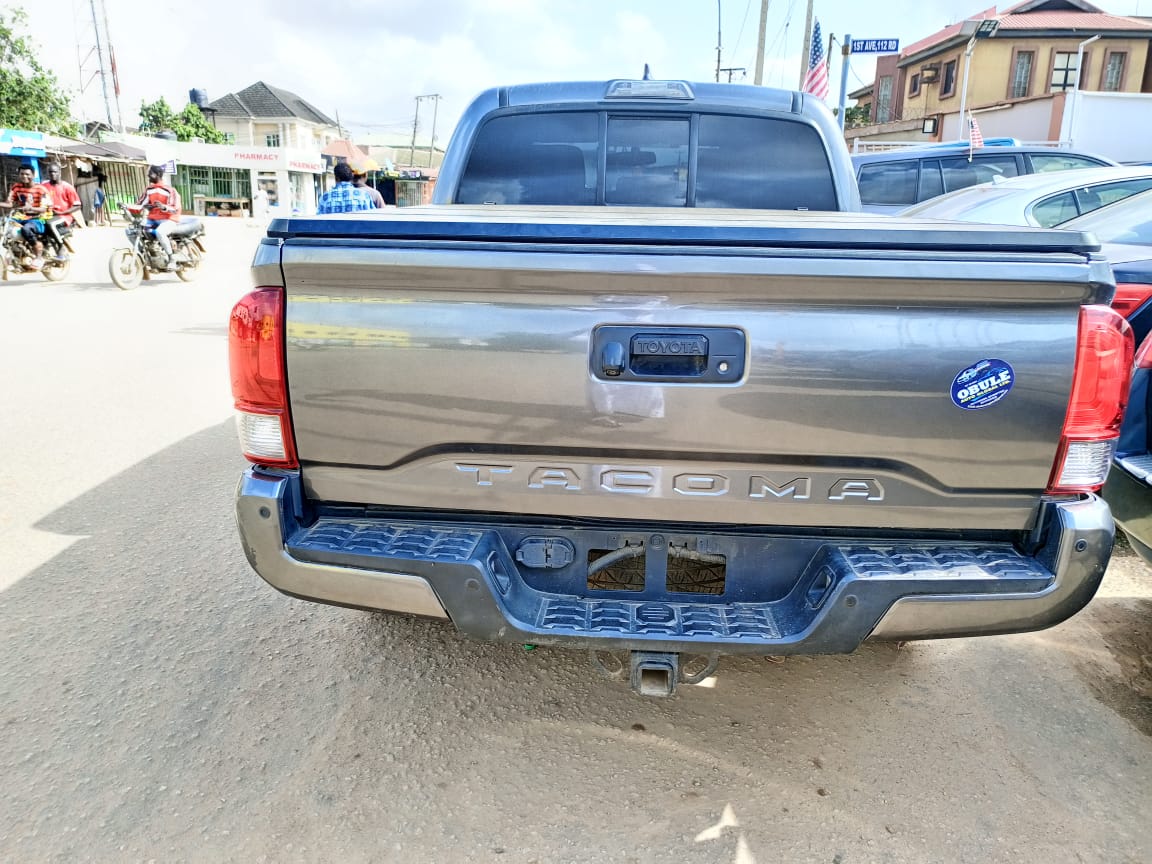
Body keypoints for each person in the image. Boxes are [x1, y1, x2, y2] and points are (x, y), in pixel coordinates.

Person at [1, 164, 54, 267]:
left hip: (40, 218)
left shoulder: (41, 189)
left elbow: (43, 209)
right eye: (22, 174)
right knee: (3, 224)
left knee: (26, 229)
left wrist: (30, 208)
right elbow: (9, 203)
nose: (24, 176)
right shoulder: (16, 187)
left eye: (27, 174)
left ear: (33, 175)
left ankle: (39, 256)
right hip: (22, 216)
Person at [137, 164, 183, 264]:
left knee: (160, 232)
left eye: (150, 173)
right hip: (152, 219)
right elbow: (139, 204)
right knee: (132, 230)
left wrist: (164, 207)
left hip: (169, 219)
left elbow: (175, 208)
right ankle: (142, 253)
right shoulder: (149, 190)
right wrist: (127, 207)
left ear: (157, 174)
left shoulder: (170, 190)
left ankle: (171, 258)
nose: (148, 175)